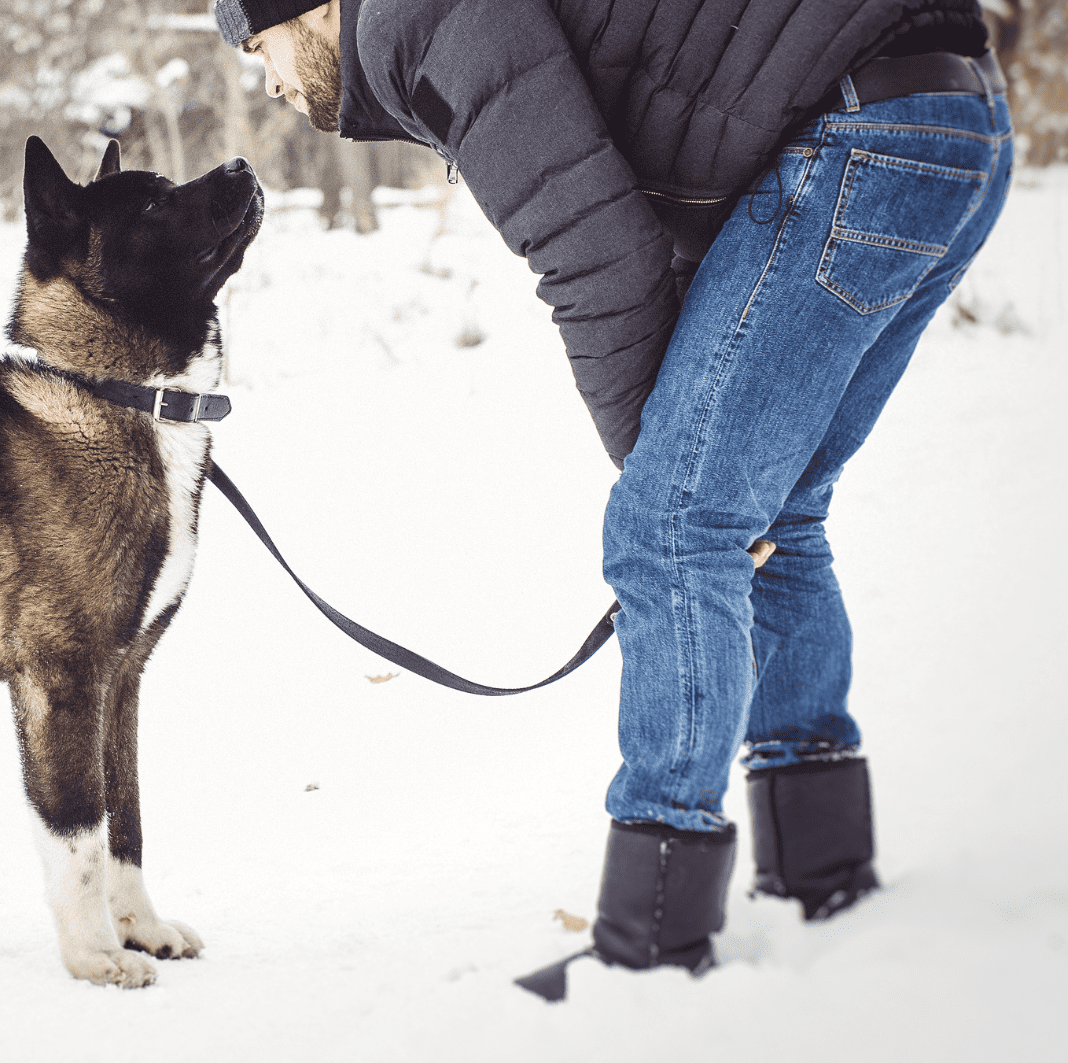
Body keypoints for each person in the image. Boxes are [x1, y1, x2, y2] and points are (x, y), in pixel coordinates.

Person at [211, 0, 1011, 1000]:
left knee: (684, 522)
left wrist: (677, 503)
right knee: (769, 513)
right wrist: (702, 494)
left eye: (260, 48)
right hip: (952, 118)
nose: (270, 82)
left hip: (865, 134)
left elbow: (596, 256)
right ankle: (821, 873)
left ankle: (652, 948)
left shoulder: (415, 18)